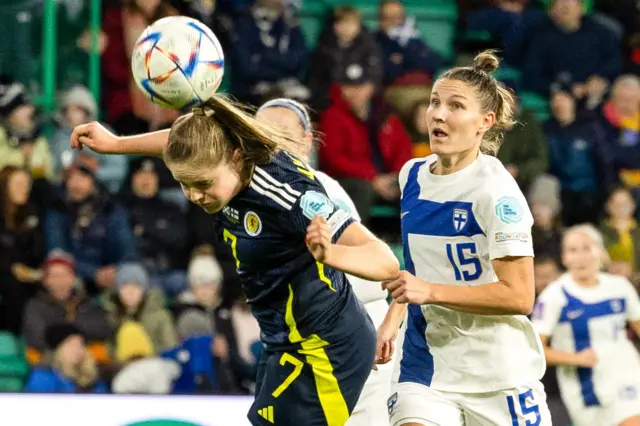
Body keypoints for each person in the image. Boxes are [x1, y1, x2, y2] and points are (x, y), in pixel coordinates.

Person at [70, 94, 399, 426]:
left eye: (203, 184)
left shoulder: (289, 193)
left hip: (327, 347)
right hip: (285, 342)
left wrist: (330, 254)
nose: (195, 195)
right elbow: (180, 140)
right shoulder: (216, 154)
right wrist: (115, 144)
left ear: (236, 157)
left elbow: (385, 262)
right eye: (185, 185)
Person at [375, 50, 552, 426]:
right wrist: (395, 316)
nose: (439, 114)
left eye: (456, 106)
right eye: (435, 102)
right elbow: (420, 268)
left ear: (485, 122)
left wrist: (431, 292)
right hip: (427, 364)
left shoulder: (497, 193)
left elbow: (519, 296)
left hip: (498, 374)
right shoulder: (412, 176)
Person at [255, 97, 393, 426]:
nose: (272, 143)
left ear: (307, 142)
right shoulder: (265, 194)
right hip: (306, 340)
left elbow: (381, 269)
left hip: (350, 333)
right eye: (262, 135)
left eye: (283, 134)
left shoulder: (315, 190)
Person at [532, 224, 640, 426]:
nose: (581, 256)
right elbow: (535, 349)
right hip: (586, 388)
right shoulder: (555, 295)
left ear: (600, 252)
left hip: (628, 376)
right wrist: (575, 358)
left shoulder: (620, 286)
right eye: (573, 250)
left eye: (586, 248)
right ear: (564, 258)